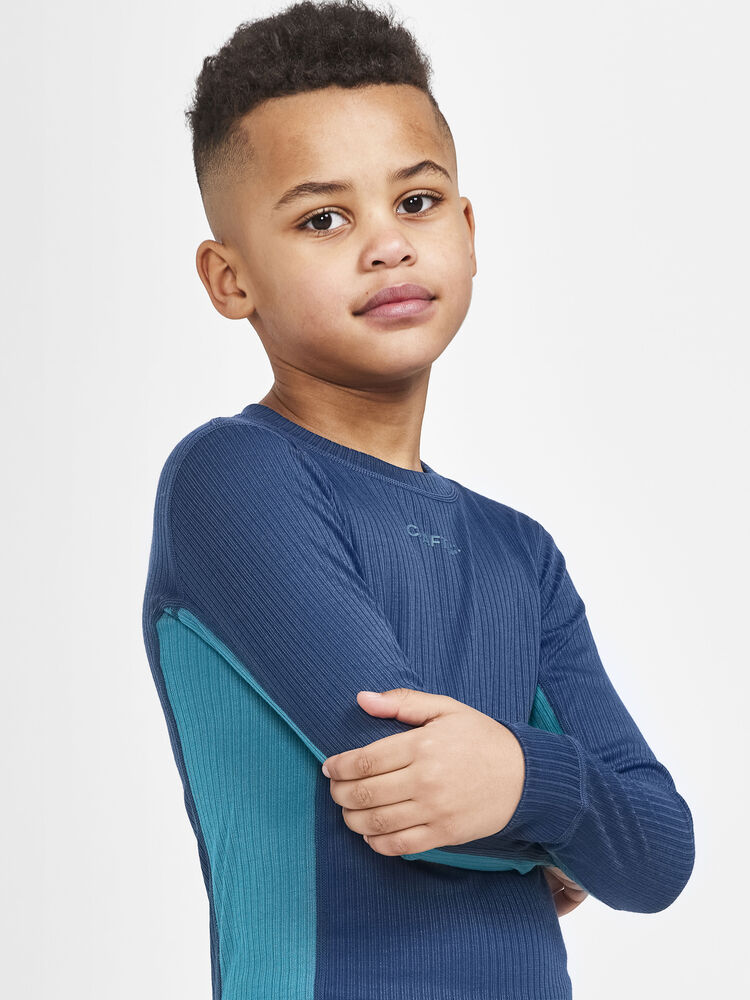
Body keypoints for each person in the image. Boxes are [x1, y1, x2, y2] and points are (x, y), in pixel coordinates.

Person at [141, 2, 695, 997]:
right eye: (323, 219)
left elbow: (659, 852)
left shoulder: (519, 550)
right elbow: (402, 784)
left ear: (468, 230)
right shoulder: (233, 478)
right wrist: (565, 817)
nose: (387, 246)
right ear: (229, 279)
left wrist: (520, 786)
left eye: (418, 201)